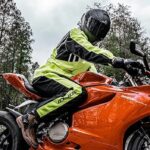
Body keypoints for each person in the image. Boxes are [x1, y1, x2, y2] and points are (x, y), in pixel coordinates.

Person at [16, 9, 144, 148]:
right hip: (46, 76)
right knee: (77, 92)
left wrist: (115, 85)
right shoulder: (75, 35)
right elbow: (88, 50)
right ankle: (29, 118)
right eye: (95, 26)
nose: (97, 31)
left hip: (63, 83)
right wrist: (118, 61)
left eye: (101, 30)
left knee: (90, 94)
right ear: (85, 21)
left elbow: (98, 79)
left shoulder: (87, 63)